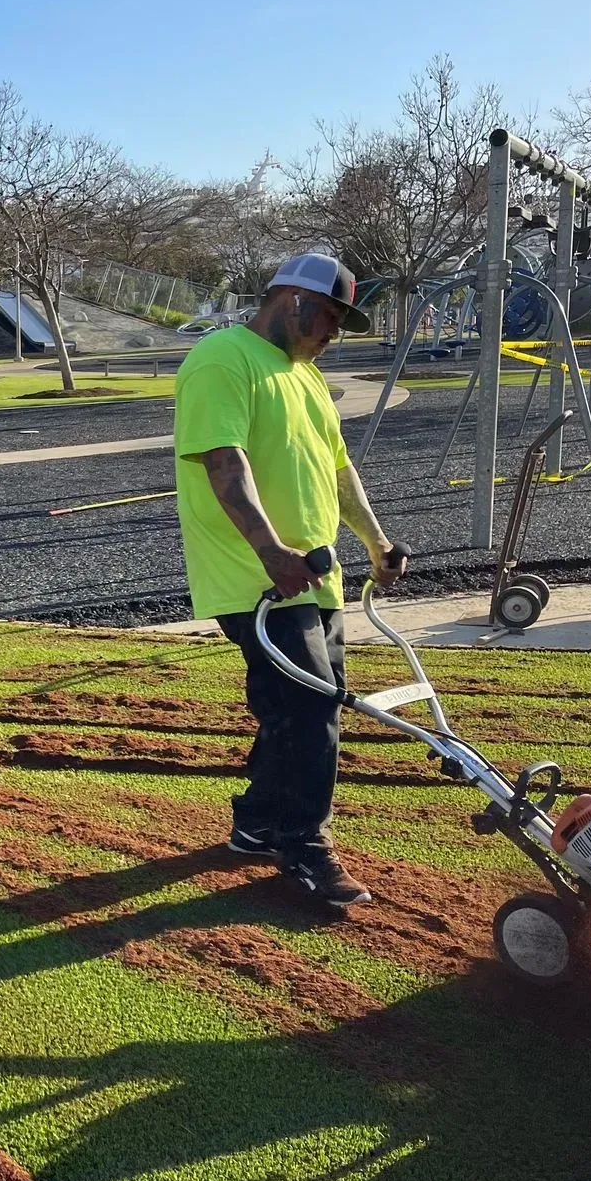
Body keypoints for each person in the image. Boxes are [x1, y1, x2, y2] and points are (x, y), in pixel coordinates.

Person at [172, 253, 406, 909]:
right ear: (295, 302)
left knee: (294, 707)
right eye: (331, 317)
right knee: (312, 706)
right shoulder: (224, 358)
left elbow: (337, 472)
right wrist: (271, 550)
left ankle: (256, 822)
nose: (336, 332)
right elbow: (225, 462)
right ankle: (304, 843)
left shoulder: (305, 378)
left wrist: (377, 542)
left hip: (312, 576)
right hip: (257, 577)